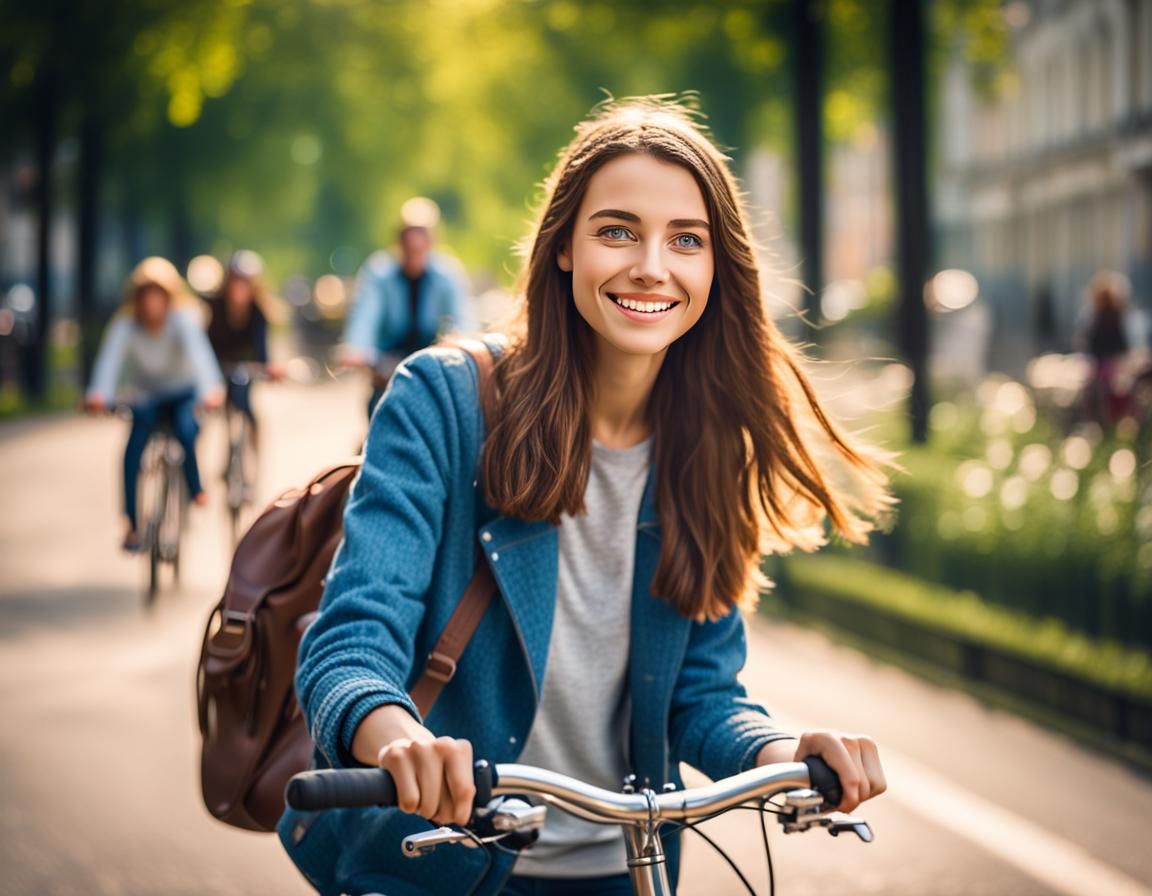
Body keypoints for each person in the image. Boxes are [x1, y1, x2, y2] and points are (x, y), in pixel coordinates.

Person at [279, 98, 892, 896]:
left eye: (686, 240)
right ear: (564, 246)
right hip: (435, 860)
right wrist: (399, 739)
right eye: (617, 232)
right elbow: (351, 640)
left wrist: (785, 753)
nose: (652, 266)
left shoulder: (709, 442)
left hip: (625, 870)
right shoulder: (444, 402)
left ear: (717, 267)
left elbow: (702, 695)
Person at [84, 257, 225, 552]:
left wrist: (211, 390)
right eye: (146, 296)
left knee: (187, 429)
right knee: (133, 448)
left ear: (169, 297)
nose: (152, 304)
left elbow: (200, 356)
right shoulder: (125, 325)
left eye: (158, 296)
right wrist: (99, 394)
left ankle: (195, 489)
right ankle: (132, 524)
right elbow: (110, 361)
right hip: (147, 396)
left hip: (182, 392)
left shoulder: (182, 320)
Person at [338, 197, 474, 417]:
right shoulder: (379, 272)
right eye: (408, 236)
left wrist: (459, 345)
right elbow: (365, 315)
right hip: (387, 363)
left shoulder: (447, 274)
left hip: (430, 361)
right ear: (399, 241)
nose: (414, 244)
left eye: (422, 235)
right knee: (378, 411)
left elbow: (462, 318)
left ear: (432, 241)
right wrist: (357, 347)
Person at [205, 250, 282, 439]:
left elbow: (261, 346)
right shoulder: (214, 307)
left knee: (243, 401)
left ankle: (254, 434)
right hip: (218, 364)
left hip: (246, 367)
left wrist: (267, 366)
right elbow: (205, 343)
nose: (240, 288)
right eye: (236, 281)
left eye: (246, 283)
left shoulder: (258, 312)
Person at [1074, 270, 1144, 424]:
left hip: (1116, 365)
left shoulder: (1124, 317)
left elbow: (1131, 345)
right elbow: (1085, 343)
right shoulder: (1092, 316)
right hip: (1100, 366)